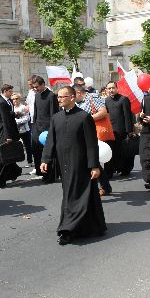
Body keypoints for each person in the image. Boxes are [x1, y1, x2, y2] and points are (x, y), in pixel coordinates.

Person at [41, 86, 106, 246]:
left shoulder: (84, 117)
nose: (59, 99)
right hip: (64, 164)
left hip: (81, 164)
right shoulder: (56, 118)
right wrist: (45, 159)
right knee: (79, 195)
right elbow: (51, 141)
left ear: (72, 97)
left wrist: (94, 166)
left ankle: (68, 230)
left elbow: (91, 144)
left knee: (75, 196)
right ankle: (93, 225)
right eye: (58, 97)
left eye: (62, 97)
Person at [74, 84, 114, 196]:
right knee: (91, 161)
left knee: (94, 160)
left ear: (79, 93)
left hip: (95, 133)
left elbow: (103, 112)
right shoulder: (76, 103)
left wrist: (87, 119)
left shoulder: (93, 97)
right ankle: (104, 186)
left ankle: (102, 187)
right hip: (84, 134)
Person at [0, 83, 22, 189]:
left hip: (3, 133)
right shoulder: (1, 102)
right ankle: (5, 178)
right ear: (4, 91)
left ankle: (5, 178)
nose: (12, 94)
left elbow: (6, 117)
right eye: (10, 91)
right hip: (2, 134)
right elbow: (3, 121)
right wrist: (7, 136)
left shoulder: (3, 101)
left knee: (5, 157)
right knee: (1, 157)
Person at [31, 76, 59, 183]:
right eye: (34, 87)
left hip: (48, 129)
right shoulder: (37, 95)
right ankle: (41, 172)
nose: (35, 89)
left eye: (37, 87)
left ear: (43, 84)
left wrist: (52, 129)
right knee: (37, 151)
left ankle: (50, 176)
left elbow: (54, 114)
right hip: (38, 128)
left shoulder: (51, 96)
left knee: (48, 153)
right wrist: (34, 127)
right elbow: (36, 113)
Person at [104, 81, 135, 177]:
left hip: (122, 130)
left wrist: (129, 131)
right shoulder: (106, 101)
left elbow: (127, 116)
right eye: (109, 88)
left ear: (117, 88)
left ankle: (125, 169)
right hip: (111, 131)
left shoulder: (123, 99)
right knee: (111, 151)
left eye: (113, 88)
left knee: (123, 151)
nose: (111, 90)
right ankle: (111, 170)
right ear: (107, 90)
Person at [12, 93, 33, 168]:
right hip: (15, 131)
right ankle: (14, 164)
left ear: (19, 99)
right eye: (13, 99)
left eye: (16, 98)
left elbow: (27, 118)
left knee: (28, 146)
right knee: (14, 147)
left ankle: (30, 161)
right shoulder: (12, 108)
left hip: (24, 130)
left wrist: (16, 121)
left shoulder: (23, 107)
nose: (15, 100)